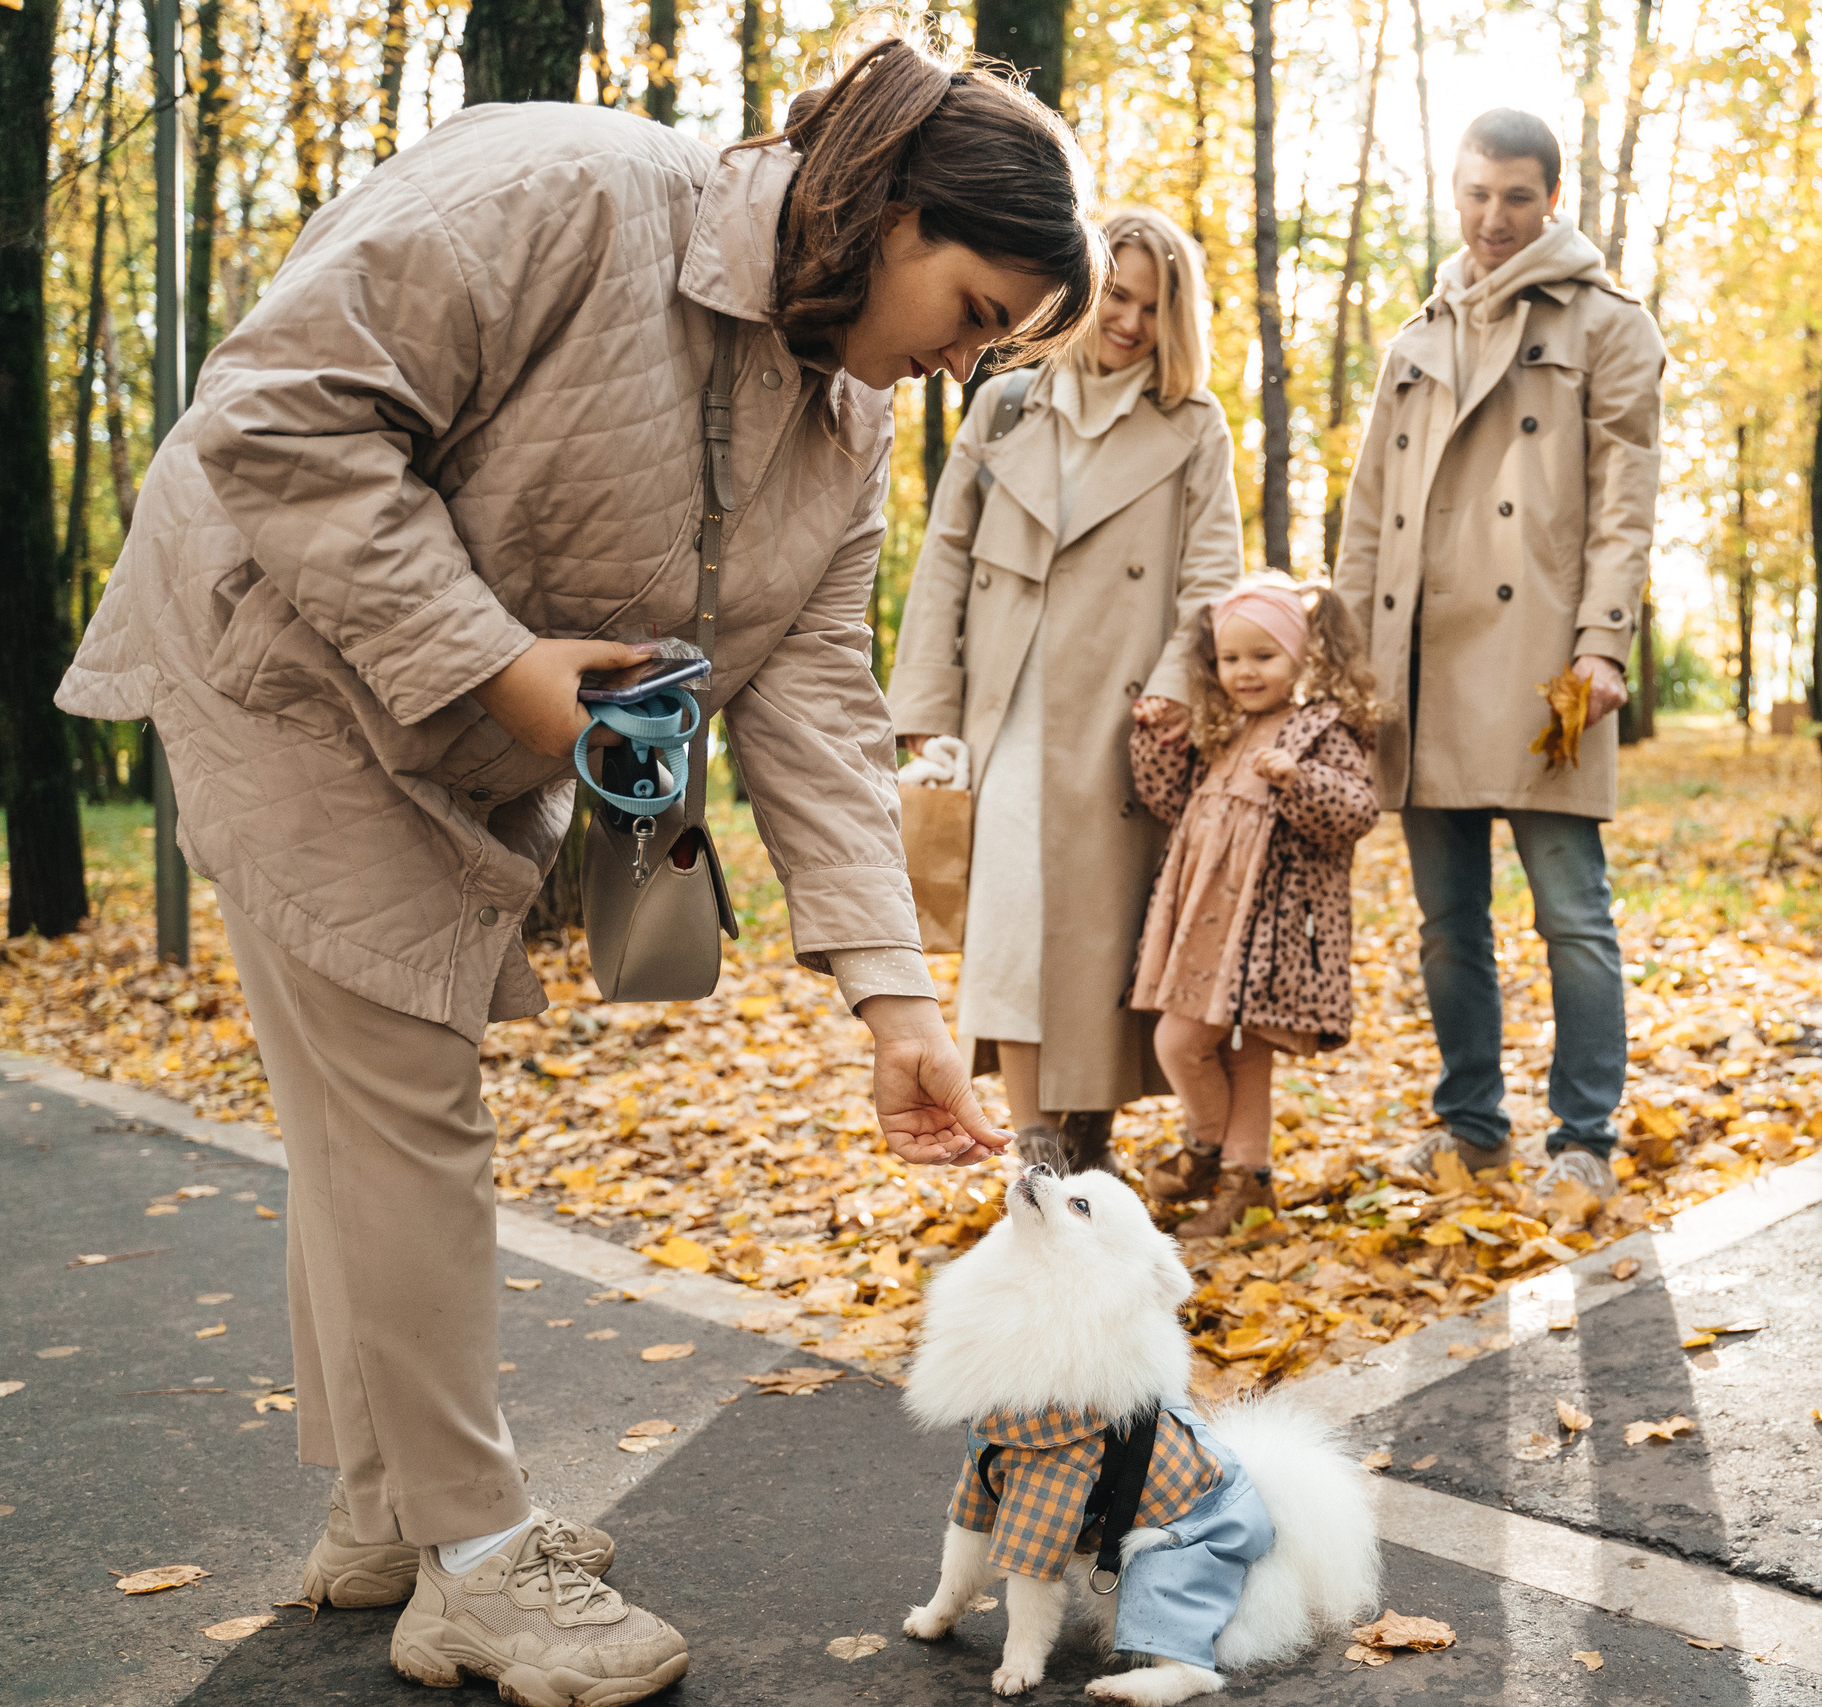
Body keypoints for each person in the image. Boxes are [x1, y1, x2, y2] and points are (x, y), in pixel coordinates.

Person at [55, 36, 1090, 1703]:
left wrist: (898, 1000)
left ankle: (386, 1511)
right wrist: (497, 664)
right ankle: (473, 1561)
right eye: (974, 310)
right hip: (281, 666)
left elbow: (813, 695)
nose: (964, 364)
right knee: (407, 1098)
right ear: (896, 211)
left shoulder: (842, 418)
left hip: (438, 729)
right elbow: (277, 411)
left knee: (363, 1111)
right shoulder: (566, 189)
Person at [1330, 108, 1664, 1197]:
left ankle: (1584, 1140)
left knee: (1573, 916)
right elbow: (1368, 517)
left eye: (1516, 196)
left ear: (1551, 199)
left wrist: (1603, 643)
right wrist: (1347, 666)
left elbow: (1624, 502)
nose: (1492, 217)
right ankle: (1473, 1126)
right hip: (1419, 663)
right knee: (1446, 928)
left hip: (1544, 669)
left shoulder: (1607, 324)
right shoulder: (1416, 339)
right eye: (1475, 194)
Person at [890, 207, 1245, 1176]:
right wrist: (926, 707)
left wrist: (1177, 693)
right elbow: (945, 556)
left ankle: (1089, 1125)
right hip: (1003, 704)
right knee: (1009, 922)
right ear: (1086, 295)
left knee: (1100, 932)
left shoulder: (1193, 425)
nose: (1129, 321)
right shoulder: (1007, 405)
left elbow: (1210, 575)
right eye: (1117, 297)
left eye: (1152, 307)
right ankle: (1036, 1137)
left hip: (1124, 716)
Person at [1126, 579, 1381, 1234]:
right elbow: (1171, 801)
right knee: (1207, 1046)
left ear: (1301, 656)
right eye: (1230, 658)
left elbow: (1358, 809)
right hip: (1204, 917)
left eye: (1264, 657)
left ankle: (1212, 1155)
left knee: (1196, 1043)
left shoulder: (1319, 730)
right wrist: (1154, 741)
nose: (1245, 672)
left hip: (1268, 927)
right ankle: (1245, 1181)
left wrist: (1299, 779)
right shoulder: (1221, 728)